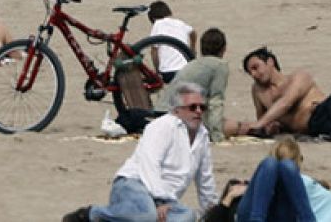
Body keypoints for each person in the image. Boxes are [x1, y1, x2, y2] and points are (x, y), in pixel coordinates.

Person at [63, 82, 217, 222]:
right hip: (135, 184)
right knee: (147, 215)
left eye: (202, 107)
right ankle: (92, 214)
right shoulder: (162, 126)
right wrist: (160, 201)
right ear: (177, 110)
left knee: (188, 216)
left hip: (167, 200)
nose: (198, 111)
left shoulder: (202, 136)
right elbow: (149, 164)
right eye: (192, 107)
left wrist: (213, 212)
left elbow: (205, 180)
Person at [168, 28, 229, 143]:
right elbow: (216, 102)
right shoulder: (219, 65)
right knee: (235, 126)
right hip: (181, 117)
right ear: (224, 48)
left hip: (167, 111)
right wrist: (217, 135)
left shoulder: (193, 64)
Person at [147, 1, 196, 84]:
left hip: (168, 72)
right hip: (186, 69)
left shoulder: (157, 24)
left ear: (153, 18)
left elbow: (154, 51)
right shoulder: (179, 23)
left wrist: (157, 70)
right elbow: (193, 32)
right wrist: (192, 50)